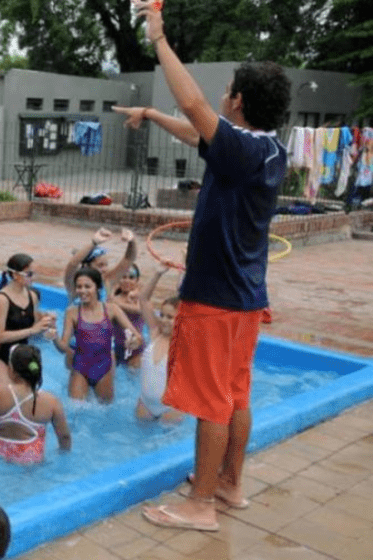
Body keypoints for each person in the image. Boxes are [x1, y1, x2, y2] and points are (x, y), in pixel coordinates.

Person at [114, 2, 291, 531]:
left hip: (216, 298)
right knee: (235, 395)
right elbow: (196, 132)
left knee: (210, 401)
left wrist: (159, 38)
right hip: (246, 298)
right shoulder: (265, 148)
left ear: (237, 101)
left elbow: (193, 106)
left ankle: (201, 506)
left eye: (228, 90)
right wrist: (150, 116)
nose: (220, 97)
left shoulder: (240, 147)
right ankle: (231, 485)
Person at [53, 268, 143, 402]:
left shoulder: (111, 309)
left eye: (87, 286)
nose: (82, 291)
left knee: (105, 412)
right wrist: (54, 336)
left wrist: (133, 341)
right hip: (80, 369)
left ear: (98, 288)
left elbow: (137, 337)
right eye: (79, 287)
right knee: (75, 410)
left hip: (104, 369)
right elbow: (62, 348)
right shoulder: (72, 312)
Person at [0, 344, 70, 464]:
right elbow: (64, 437)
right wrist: (64, 455)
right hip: (30, 461)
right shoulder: (51, 402)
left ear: (11, 370)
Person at [0, 254, 56, 384]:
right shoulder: (1, 300)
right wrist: (32, 330)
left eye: (34, 273)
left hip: (21, 353)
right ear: (15, 275)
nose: (33, 278)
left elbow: (35, 327)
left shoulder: (32, 296)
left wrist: (48, 325)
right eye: (29, 274)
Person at [134, 265, 184, 424]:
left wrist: (185, 272)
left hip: (171, 408)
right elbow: (143, 299)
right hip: (145, 404)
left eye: (170, 317)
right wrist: (157, 273)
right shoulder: (155, 333)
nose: (163, 320)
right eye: (162, 315)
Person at [63, 228, 137, 302]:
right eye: (100, 265)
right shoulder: (75, 284)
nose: (105, 269)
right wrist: (93, 243)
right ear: (87, 267)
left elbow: (129, 259)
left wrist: (132, 241)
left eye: (106, 265)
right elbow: (72, 265)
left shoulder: (107, 282)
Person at [110, 264, 145, 370]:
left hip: (135, 349)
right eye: (123, 277)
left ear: (137, 280)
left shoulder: (140, 298)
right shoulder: (114, 298)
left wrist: (116, 303)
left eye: (131, 277)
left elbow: (139, 310)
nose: (127, 280)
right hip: (117, 348)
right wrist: (112, 293)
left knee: (132, 378)